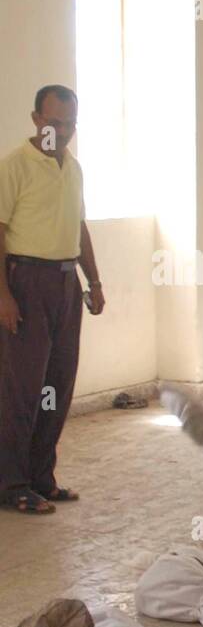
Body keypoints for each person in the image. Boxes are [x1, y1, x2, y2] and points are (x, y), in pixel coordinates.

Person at [0, 85, 105, 515]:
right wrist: (4, 294)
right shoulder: (14, 166)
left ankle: (42, 477)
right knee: (21, 390)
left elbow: (78, 228)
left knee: (55, 387)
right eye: (52, 122)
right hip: (26, 283)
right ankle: (12, 484)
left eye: (68, 124)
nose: (59, 131)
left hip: (65, 286)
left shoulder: (74, 169)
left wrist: (93, 281)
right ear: (36, 119)